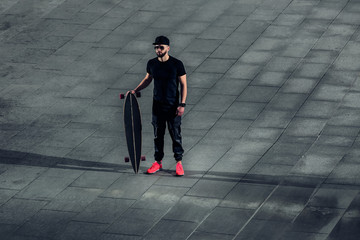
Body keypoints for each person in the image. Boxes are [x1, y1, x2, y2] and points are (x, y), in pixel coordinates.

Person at [130, 36, 187, 176]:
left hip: (173, 106)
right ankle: (158, 162)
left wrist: (182, 104)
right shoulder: (152, 64)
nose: (158, 50)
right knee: (158, 135)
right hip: (157, 106)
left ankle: (179, 163)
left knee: (175, 135)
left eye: (161, 47)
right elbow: (147, 79)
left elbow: (184, 84)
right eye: (156, 47)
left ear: (168, 48)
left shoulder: (177, 64)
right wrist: (135, 90)